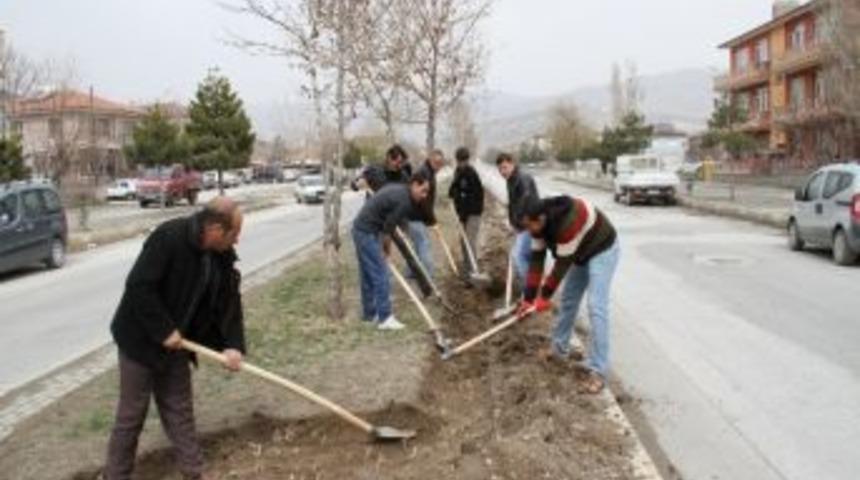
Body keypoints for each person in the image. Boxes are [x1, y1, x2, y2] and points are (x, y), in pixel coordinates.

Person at [104, 197, 246, 480]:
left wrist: (232, 345)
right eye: (234, 234)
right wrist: (163, 329)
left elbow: (229, 301)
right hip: (140, 341)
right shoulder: (169, 237)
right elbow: (139, 287)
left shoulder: (221, 255)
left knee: (179, 411)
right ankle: (115, 476)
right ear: (216, 229)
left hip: (179, 343)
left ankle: (194, 474)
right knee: (131, 415)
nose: (237, 241)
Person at [517, 195, 619, 395]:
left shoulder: (567, 222)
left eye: (530, 226)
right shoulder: (537, 224)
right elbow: (537, 261)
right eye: (526, 227)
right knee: (568, 301)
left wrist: (544, 297)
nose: (529, 232)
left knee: (595, 306)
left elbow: (561, 266)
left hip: (602, 249)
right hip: (580, 252)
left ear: (541, 219)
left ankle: (597, 370)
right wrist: (528, 300)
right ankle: (558, 349)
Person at [351, 172, 431, 330]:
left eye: (427, 192)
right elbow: (388, 229)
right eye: (423, 190)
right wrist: (386, 251)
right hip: (366, 231)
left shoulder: (400, 190)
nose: (425, 195)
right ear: (414, 184)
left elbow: (387, 223)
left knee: (367, 274)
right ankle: (385, 318)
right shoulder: (405, 201)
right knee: (381, 272)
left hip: (360, 228)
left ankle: (369, 314)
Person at [496, 152, 539, 286]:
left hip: (530, 223)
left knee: (519, 256)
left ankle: (530, 291)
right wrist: (513, 223)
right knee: (528, 257)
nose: (502, 171)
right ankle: (533, 290)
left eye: (505, 167)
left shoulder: (522, 178)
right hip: (523, 224)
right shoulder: (511, 179)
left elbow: (523, 200)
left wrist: (517, 222)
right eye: (500, 168)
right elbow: (513, 204)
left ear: (512, 164)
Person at [407, 149, 445, 278]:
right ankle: (429, 274)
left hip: (415, 215)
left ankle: (412, 272)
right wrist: (433, 221)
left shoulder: (429, 171)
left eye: (441, 163)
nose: (439, 165)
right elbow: (424, 201)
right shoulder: (425, 173)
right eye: (436, 162)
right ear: (430, 160)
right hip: (415, 215)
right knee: (424, 244)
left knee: (417, 245)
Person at [447, 146, 484, 279]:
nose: (462, 163)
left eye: (464, 161)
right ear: (457, 160)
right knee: (463, 241)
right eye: (460, 161)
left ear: (468, 160)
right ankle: (467, 267)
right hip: (462, 213)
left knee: (469, 240)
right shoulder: (458, 171)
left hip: (473, 213)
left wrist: (464, 214)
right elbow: (454, 187)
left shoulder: (471, 174)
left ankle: (474, 271)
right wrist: (451, 192)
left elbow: (475, 198)